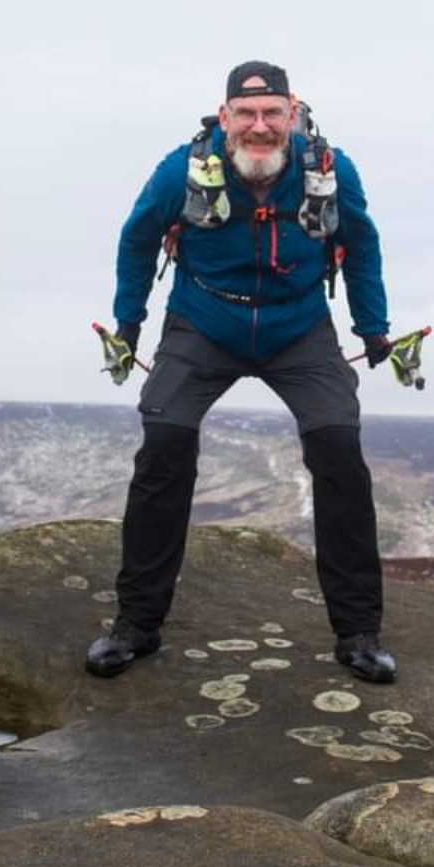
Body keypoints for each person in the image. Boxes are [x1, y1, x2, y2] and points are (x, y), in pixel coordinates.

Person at [86, 61, 397, 686]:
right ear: (225, 117)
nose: (260, 127)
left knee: (337, 442)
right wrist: (129, 320)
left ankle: (358, 632)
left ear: (292, 114)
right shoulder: (182, 168)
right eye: (247, 114)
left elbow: (360, 244)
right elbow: (137, 238)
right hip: (204, 321)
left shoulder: (330, 170)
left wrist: (373, 325)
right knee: (166, 439)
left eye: (272, 114)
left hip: (298, 324)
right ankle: (136, 624)